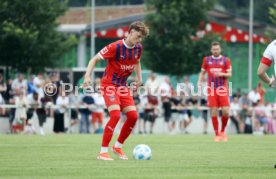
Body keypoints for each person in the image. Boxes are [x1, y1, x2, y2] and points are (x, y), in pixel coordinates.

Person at [83, 21, 149, 160]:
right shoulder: (115, 47)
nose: (139, 40)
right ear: (130, 32)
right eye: (137, 36)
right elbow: (94, 59)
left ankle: (117, 147)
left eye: (141, 37)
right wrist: (87, 76)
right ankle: (102, 152)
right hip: (109, 84)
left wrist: (139, 78)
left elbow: (137, 61)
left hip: (123, 86)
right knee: (116, 116)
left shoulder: (138, 48)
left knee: (133, 116)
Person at [197, 41, 232, 142]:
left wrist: (220, 73)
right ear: (211, 50)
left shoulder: (226, 60)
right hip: (211, 88)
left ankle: (222, 131)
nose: (215, 51)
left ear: (220, 50)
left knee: (226, 111)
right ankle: (216, 134)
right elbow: (202, 72)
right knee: (213, 110)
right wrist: (199, 82)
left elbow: (229, 75)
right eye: (214, 49)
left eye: (217, 49)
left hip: (222, 88)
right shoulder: (206, 60)